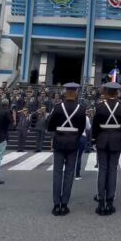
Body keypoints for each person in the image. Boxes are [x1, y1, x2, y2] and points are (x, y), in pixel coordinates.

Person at [47, 83, 86, 216]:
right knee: (69, 174)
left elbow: (50, 126)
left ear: (65, 93)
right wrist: (74, 136)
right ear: (75, 93)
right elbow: (81, 128)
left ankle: (56, 204)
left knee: (57, 173)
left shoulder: (57, 108)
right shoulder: (81, 109)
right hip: (73, 142)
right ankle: (64, 204)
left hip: (59, 142)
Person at [92, 82, 121, 215]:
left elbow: (95, 126)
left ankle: (101, 201)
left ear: (106, 93)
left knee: (103, 169)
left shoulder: (100, 107)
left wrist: (94, 140)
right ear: (117, 93)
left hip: (102, 138)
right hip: (116, 139)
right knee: (113, 170)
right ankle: (110, 201)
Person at [74, 110, 91, 180]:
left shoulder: (72, 115)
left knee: (71, 155)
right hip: (82, 136)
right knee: (79, 156)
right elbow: (88, 127)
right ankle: (77, 174)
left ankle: (69, 172)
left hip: (73, 136)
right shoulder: (85, 117)